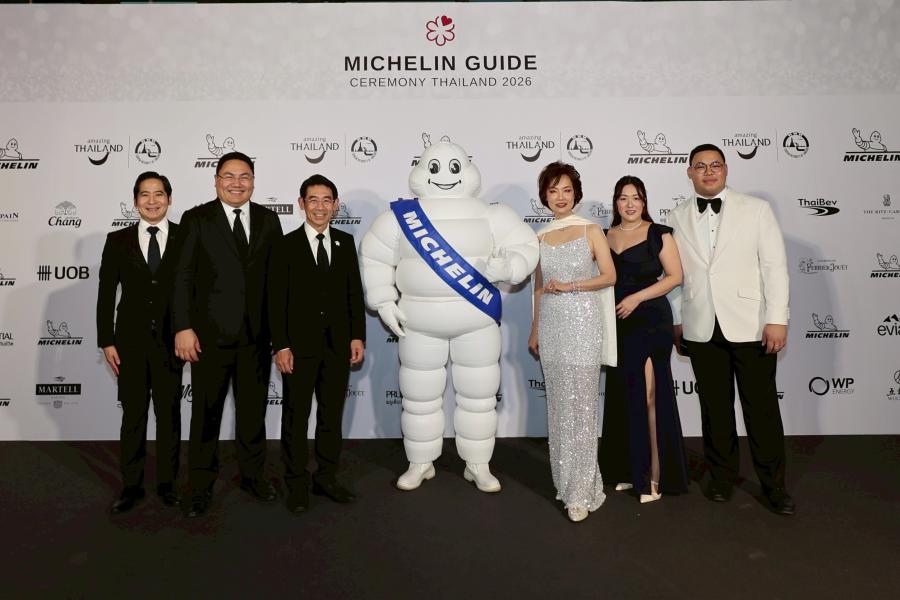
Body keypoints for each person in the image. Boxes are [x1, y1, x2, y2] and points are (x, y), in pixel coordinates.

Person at [360, 137, 539, 493]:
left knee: (479, 398)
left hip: (476, 322)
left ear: (468, 171)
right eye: (435, 167)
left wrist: (509, 266)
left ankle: (478, 464)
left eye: (454, 167)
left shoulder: (492, 214)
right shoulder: (399, 218)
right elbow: (374, 256)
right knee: (418, 398)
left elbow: (525, 246)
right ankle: (420, 462)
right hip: (418, 324)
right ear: (420, 171)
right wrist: (383, 300)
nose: (444, 174)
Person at [668, 143, 794, 516]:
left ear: (726, 169)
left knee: (762, 411)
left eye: (715, 165)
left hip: (752, 325)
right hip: (701, 326)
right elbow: (674, 275)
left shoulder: (756, 209)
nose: (708, 171)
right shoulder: (675, 216)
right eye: (700, 166)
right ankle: (722, 478)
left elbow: (774, 267)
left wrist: (777, 318)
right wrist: (678, 319)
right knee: (715, 410)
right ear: (689, 172)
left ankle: (774, 486)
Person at [172, 151, 284, 518]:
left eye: (244, 176)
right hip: (209, 339)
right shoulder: (196, 219)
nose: (237, 183)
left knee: (253, 415)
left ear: (253, 181)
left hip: (256, 338)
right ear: (216, 180)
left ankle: (253, 476)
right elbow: (182, 277)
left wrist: (279, 334)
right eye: (229, 176)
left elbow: (276, 283)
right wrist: (183, 327)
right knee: (205, 416)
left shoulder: (269, 220)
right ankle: (200, 486)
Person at [268, 174, 366, 514]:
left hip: (337, 347)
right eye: (313, 200)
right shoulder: (285, 245)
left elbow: (353, 292)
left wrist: (357, 335)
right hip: (297, 349)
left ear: (335, 205)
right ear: (301, 204)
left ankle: (326, 478)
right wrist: (281, 345)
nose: (320, 206)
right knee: (295, 418)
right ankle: (296, 483)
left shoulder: (344, 242)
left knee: (330, 417)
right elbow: (275, 300)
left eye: (327, 200)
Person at [528, 162, 616, 522]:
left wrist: (571, 286)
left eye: (566, 190)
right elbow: (537, 287)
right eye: (553, 191)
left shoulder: (591, 230)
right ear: (545, 196)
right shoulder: (539, 237)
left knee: (582, 410)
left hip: (584, 325)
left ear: (576, 194)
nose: (560, 197)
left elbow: (609, 276)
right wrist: (535, 329)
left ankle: (581, 493)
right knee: (559, 410)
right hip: (551, 327)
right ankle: (566, 485)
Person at [96, 171, 183, 514]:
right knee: (133, 417)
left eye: (159, 194)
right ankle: (131, 487)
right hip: (129, 344)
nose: (152, 201)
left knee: (169, 416)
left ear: (169, 199)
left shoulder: (184, 237)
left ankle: (168, 484)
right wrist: (106, 340)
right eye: (145, 195)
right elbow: (106, 293)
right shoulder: (117, 240)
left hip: (171, 343)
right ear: (135, 201)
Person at [599, 176, 689, 504]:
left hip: (650, 321)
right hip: (618, 324)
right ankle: (629, 471)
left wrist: (637, 298)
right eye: (623, 198)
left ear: (644, 201)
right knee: (624, 396)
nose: (630, 204)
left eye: (636, 197)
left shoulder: (658, 233)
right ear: (616, 202)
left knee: (650, 397)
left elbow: (675, 277)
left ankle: (654, 477)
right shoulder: (604, 235)